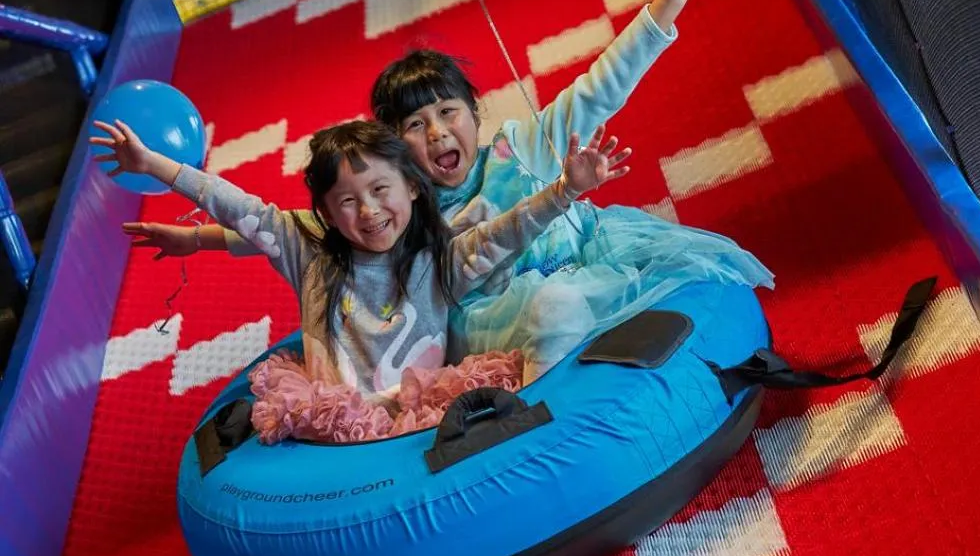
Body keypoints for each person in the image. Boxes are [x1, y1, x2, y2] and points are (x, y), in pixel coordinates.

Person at [126, 0, 772, 378]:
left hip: (590, 259)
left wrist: (668, 0)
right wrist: (200, 239)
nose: (437, 133)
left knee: (619, 287)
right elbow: (304, 227)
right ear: (398, 148)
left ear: (474, 113)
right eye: (415, 125)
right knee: (552, 310)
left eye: (447, 112)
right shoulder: (404, 202)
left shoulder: (522, 148)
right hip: (494, 309)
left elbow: (600, 87)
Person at [94, 115, 627, 398]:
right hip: (339, 422)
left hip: (427, 410)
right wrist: (154, 164)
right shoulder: (310, 256)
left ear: (414, 189)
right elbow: (237, 207)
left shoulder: (438, 260)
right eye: (347, 202)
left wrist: (565, 190)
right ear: (325, 213)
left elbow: (507, 233)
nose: (369, 212)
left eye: (380, 191)